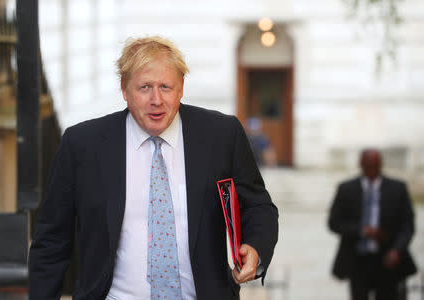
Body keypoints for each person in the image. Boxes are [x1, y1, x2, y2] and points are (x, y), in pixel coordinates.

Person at [28, 36, 278, 300]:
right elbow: (52, 241)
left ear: (181, 89)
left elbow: (258, 206)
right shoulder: (83, 145)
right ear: (124, 90)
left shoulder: (221, 135)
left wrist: (255, 247)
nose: (156, 99)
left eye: (166, 87)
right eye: (144, 87)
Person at [328, 148, 417, 300]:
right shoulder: (347, 189)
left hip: (387, 257)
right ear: (361, 165)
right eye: (367, 166)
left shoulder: (397, 188)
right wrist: (361, 230)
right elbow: (334, 223)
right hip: (357, 259)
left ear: (380, 165)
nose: (371, 171)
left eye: (374, 166)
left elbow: (407, 225)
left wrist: (397, 250)